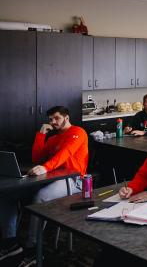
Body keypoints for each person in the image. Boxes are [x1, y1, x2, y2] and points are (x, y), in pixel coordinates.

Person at [0, 106, 88, 264]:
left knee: (41, 197)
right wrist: (41, 135)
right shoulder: (53, 139)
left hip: (74, 180)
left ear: (66, 118)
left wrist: (46, 167)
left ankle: (33, 248)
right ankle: (10, 242)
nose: (53, 122)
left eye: (57, 118)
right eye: (50, 120)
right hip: (51, 177)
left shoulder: (78, 132)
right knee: (8, 195)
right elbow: (37, 157)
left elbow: (66, 153)